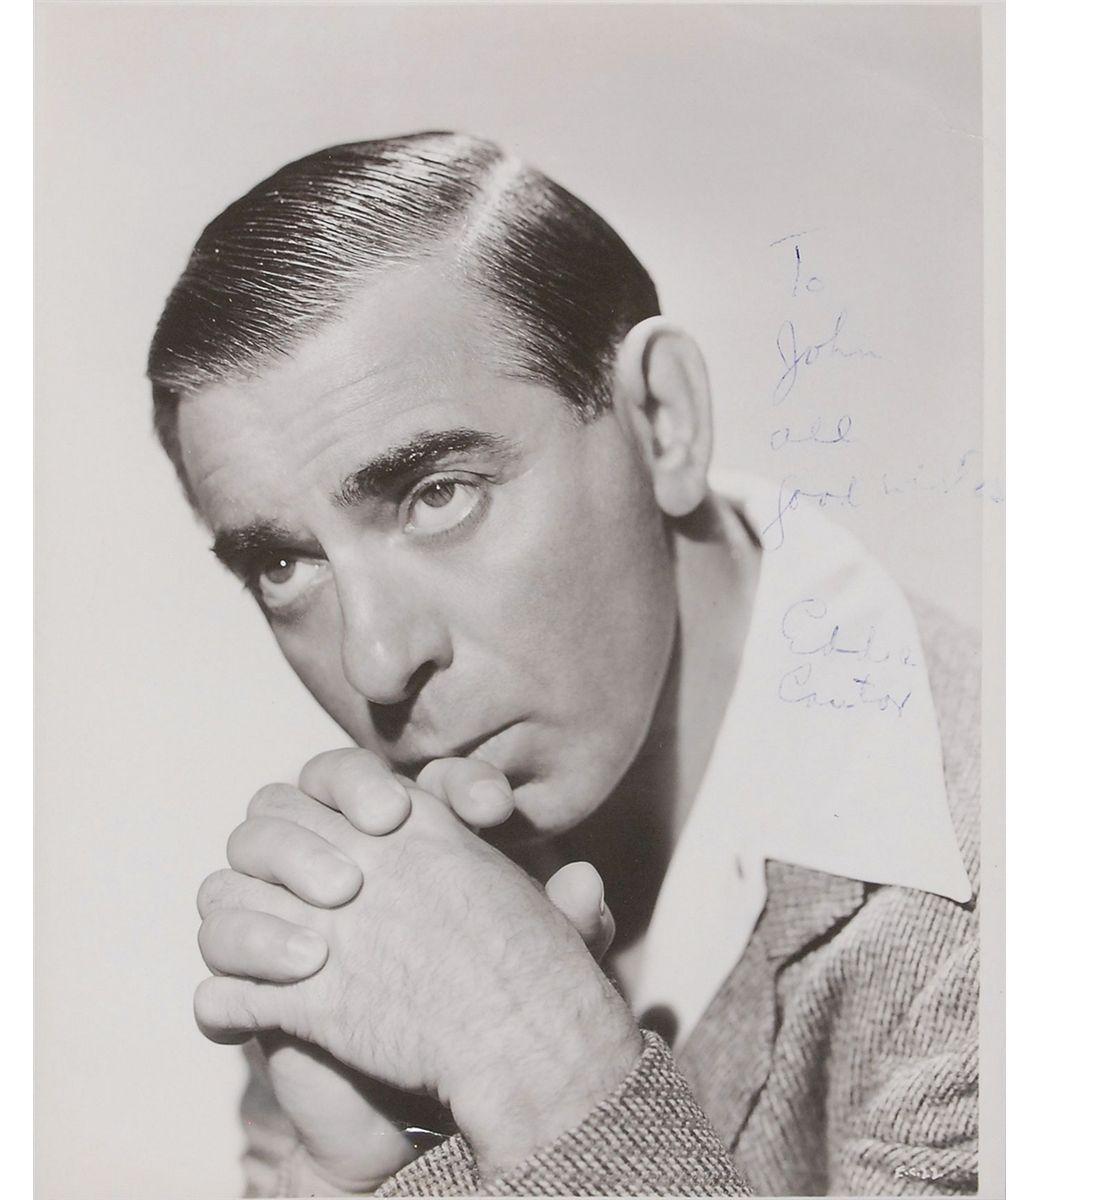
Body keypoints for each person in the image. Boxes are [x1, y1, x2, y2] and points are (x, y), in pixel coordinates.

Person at [147, 131, 980, 1196]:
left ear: (663, 423)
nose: (379, 659)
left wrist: (544, 1074)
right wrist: (362, 1173)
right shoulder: (390, 911)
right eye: (283, 565)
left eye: (437, 495)